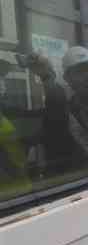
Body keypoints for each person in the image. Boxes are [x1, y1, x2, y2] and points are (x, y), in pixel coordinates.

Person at [0, 59, 31, 200]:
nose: (2, 83)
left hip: (22, 193)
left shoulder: (3, 114)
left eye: (2, 76)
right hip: (9, 200)